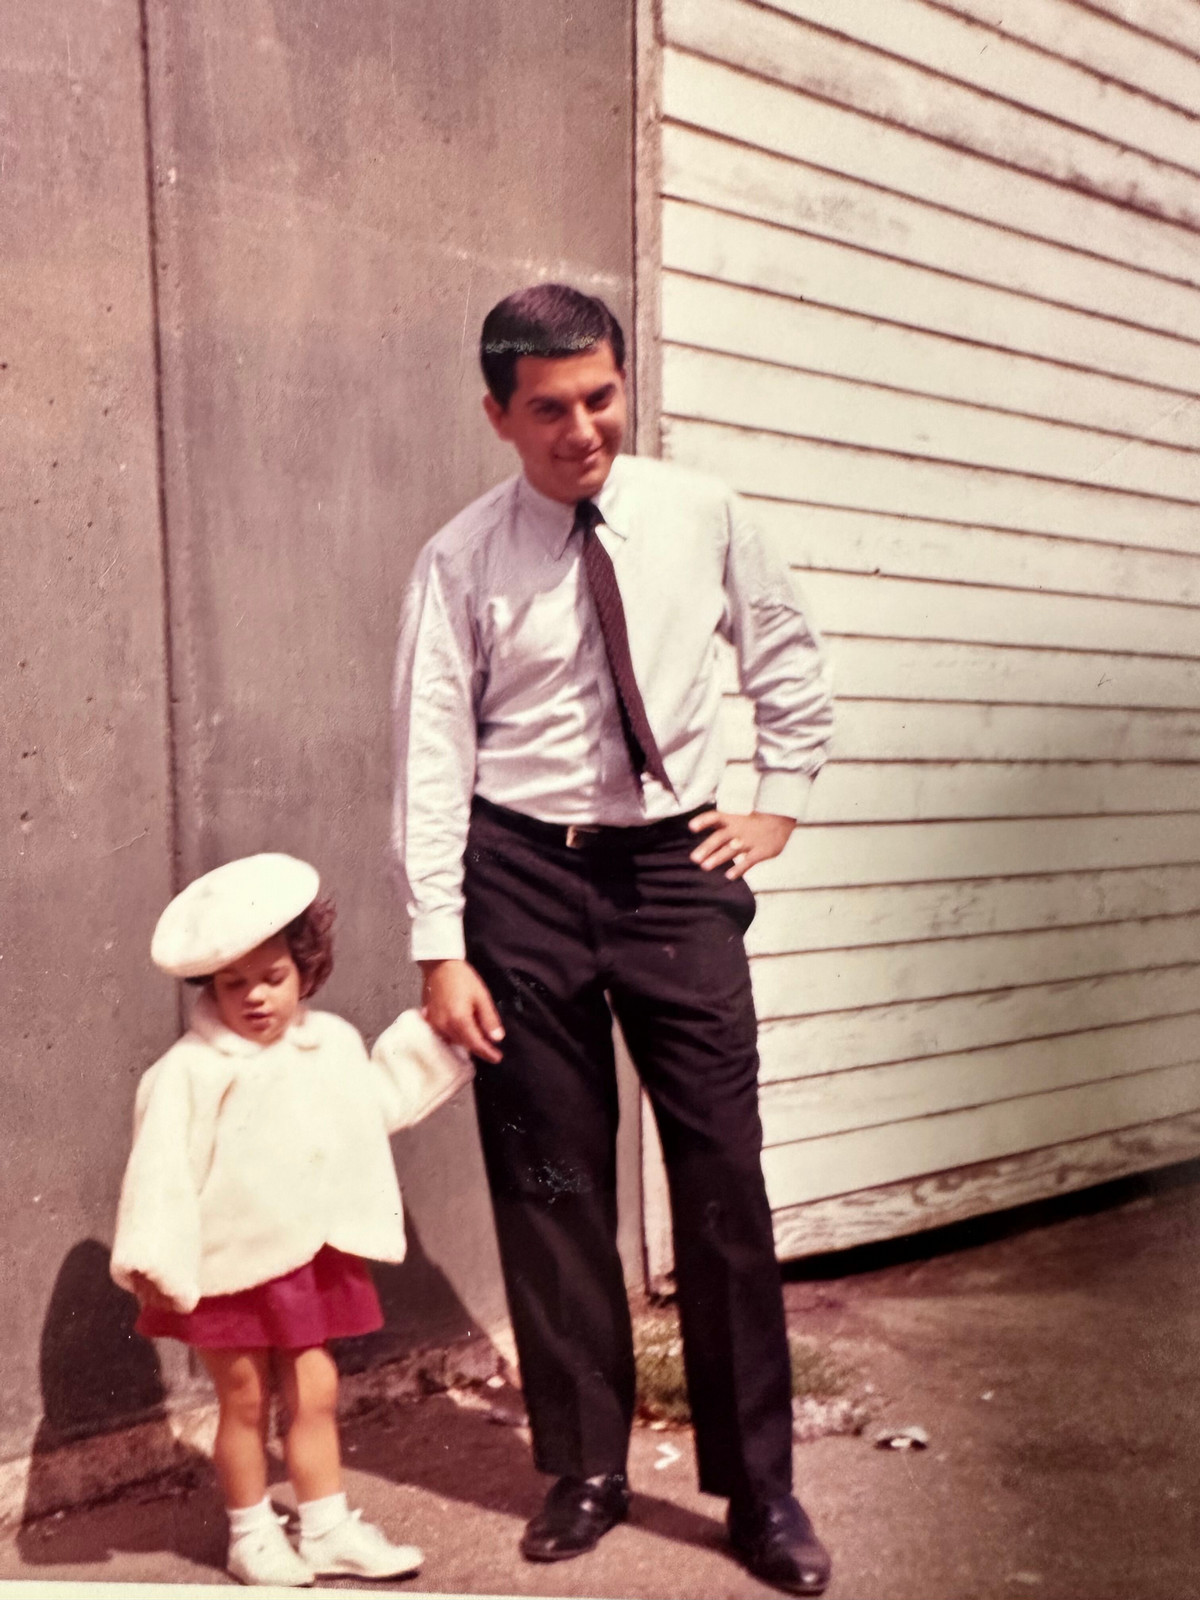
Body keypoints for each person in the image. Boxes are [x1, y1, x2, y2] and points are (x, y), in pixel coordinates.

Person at [391, 284, 835, 1595]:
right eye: (548, 409)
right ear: (497, 416)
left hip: (675, 868)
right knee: (551, 1185)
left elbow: (788, 656)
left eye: (601, 397)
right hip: (519, 875)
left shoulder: (704, 515)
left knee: (721, 1178)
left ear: (624, 386)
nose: (581, 429)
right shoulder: (460, 558)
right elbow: (432, 754)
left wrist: (779, 804)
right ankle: (584, 1467)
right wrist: (440, 943)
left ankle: (762, 1490)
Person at [110, 852, 470, 1588]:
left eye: (271, 978)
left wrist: (441, 1039)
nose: (254, 998)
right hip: (228, 1265)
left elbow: (371, 1106)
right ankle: (251, 1535)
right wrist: (153, 1256)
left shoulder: (330, 1044)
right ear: (207, 986)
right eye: (232, 984)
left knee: (315, 1392)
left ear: (305, 968)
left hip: (310, 1258)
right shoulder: (188, 1071)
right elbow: (159, 1172)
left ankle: (328, 1526)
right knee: (243, 1400)